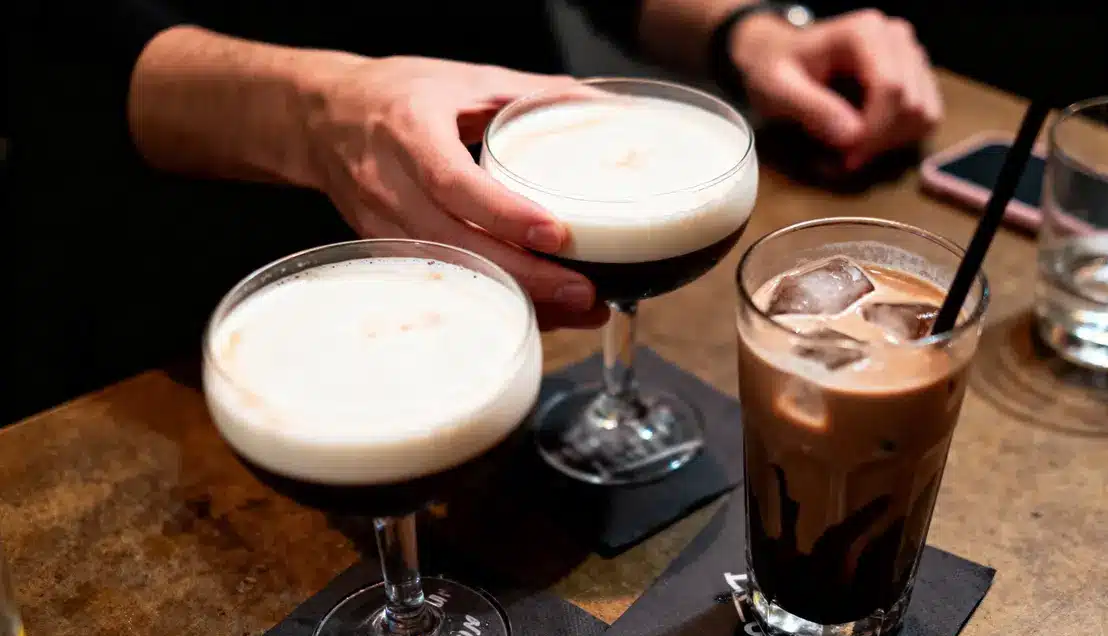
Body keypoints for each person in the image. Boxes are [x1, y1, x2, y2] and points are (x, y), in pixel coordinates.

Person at [5, 2, 940, 423]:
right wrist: (317, 112)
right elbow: (49, 51)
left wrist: (749, 29)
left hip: (509, 188)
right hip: (183, 304)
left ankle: (615, 406)